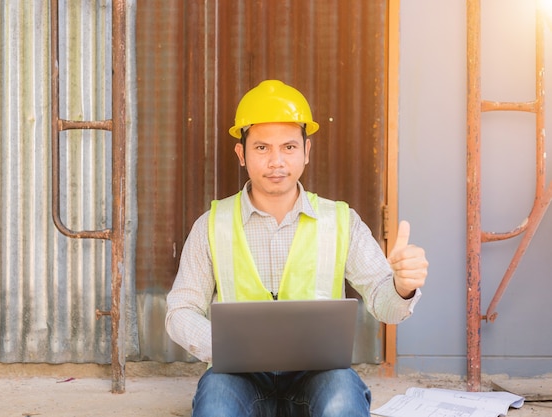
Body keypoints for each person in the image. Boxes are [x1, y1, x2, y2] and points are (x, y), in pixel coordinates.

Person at [165, 79, 428, 417]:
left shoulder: (340, 221)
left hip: (318, 374)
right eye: (262, 148)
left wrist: (402, 287)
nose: (276, 161)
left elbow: (385, 304)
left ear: (306, 151)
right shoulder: (211, 225)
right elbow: (180, 311)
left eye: (288, 147)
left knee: (342, 404)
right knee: (215, 407)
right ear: (241, 154)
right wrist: (227, 346)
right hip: (238, 375)